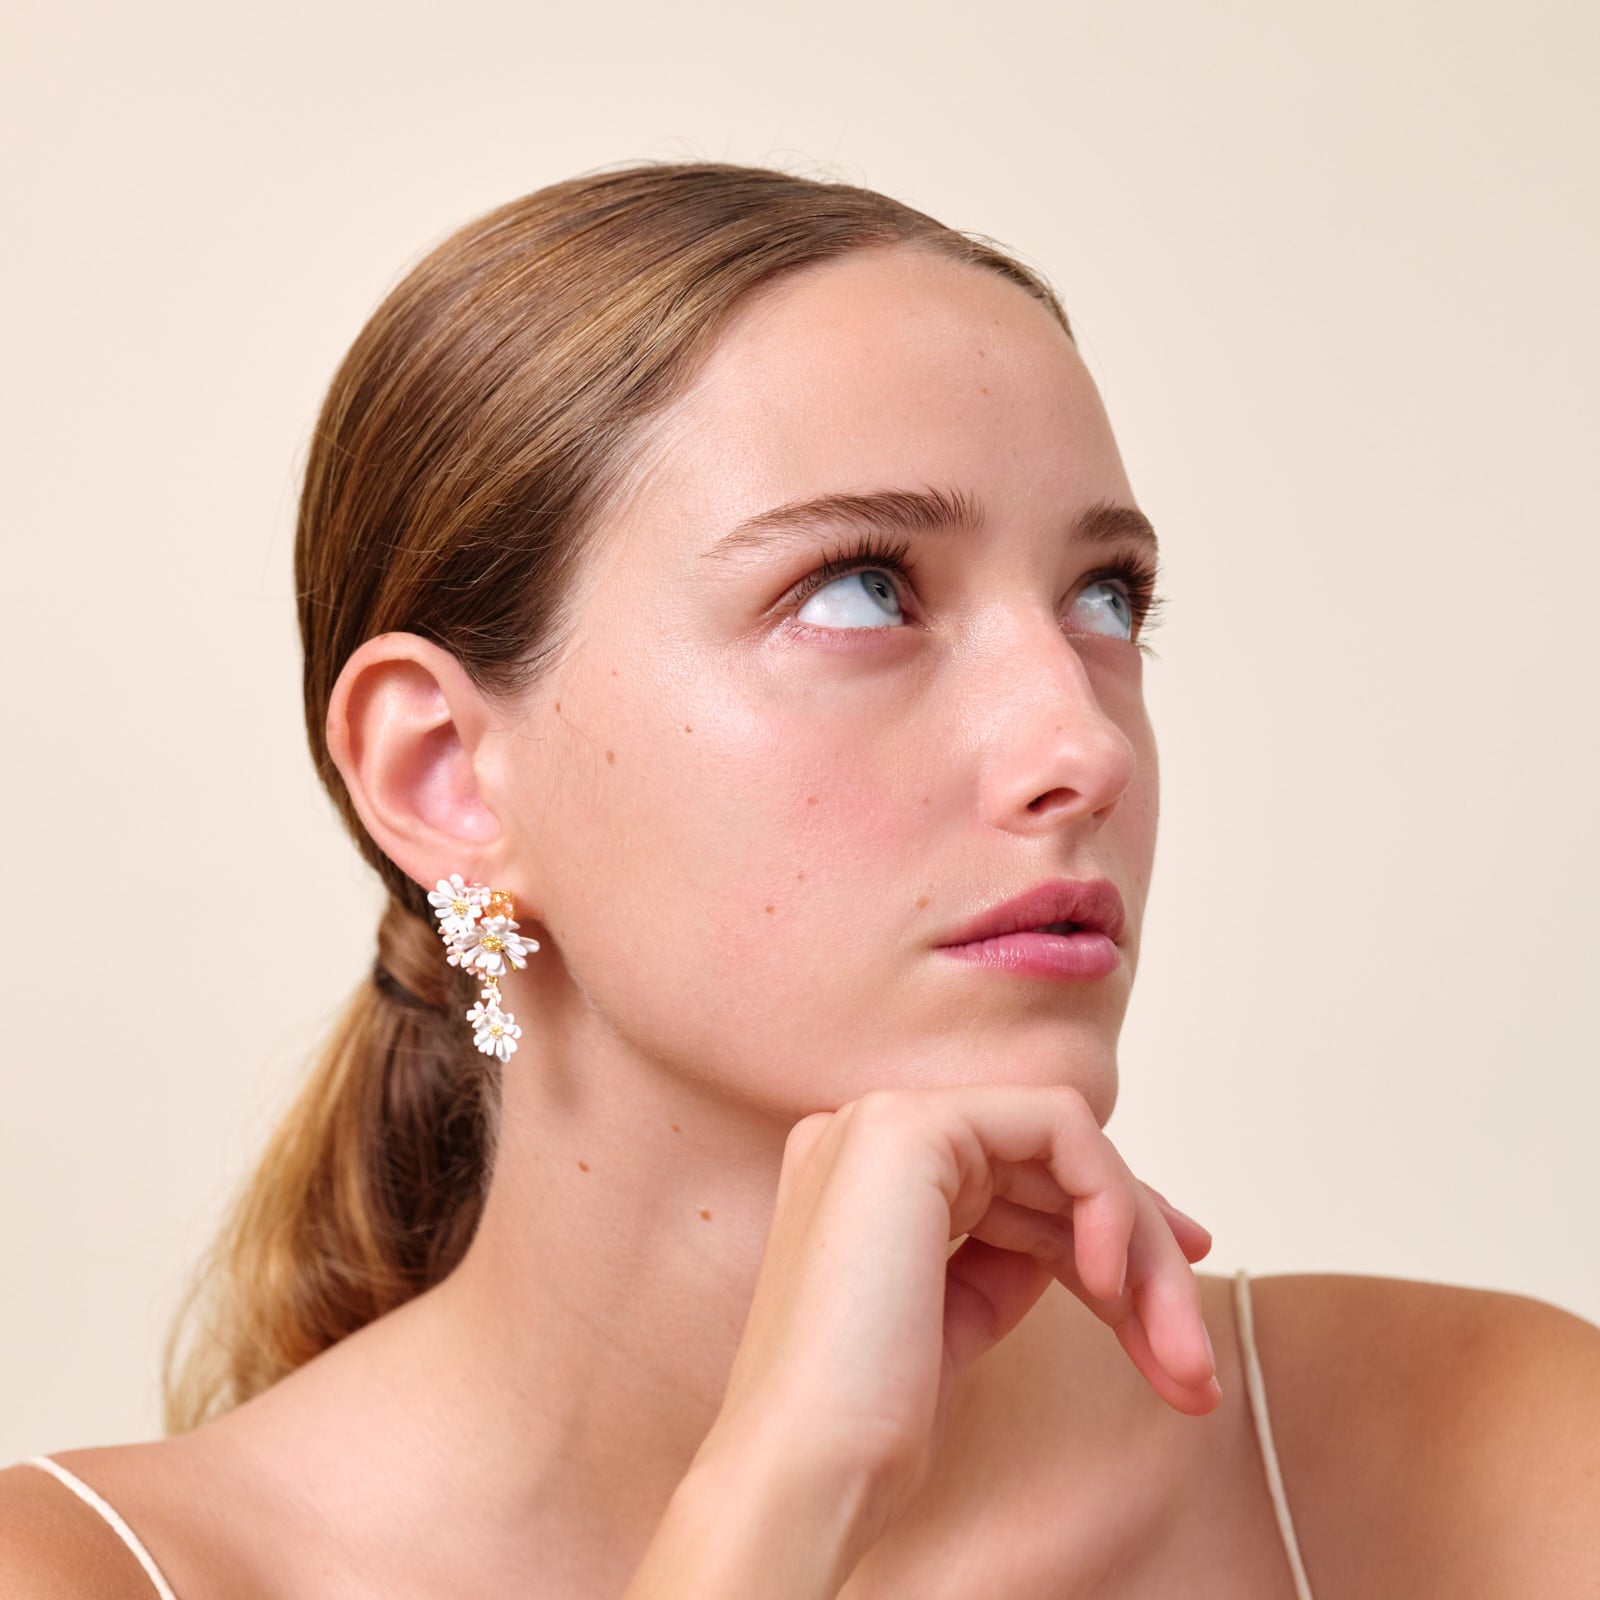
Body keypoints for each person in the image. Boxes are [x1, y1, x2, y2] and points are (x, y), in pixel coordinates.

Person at [3, 161, 1596, 1599]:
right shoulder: (97, 1572)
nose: (1080, 744)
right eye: (863, 588)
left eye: (1107, 598)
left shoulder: (1485, 1462)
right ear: (445, 774)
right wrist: (774, 1509)